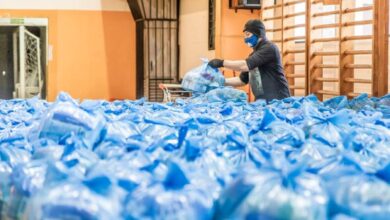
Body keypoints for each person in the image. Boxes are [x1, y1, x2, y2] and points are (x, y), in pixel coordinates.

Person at [208, 19, 291, 102]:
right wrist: (219, 80)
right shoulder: (253, 55)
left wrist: (221, 63)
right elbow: (242, 80)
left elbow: (244, 66)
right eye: (245, 35)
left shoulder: (269, 48)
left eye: (248, 34)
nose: (245, 38)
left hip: (278, 99)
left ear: (258, 33)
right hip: (262, 101)